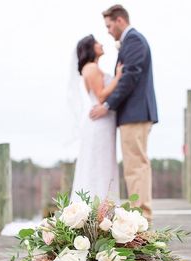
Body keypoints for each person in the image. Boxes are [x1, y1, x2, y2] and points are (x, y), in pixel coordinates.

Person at [90, 5, 158, 221]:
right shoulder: (130, 42)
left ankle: (142, 218)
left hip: (135, 113)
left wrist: (108, 105)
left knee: (135, 167)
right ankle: (140, 215)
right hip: (134, 114)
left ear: (120, 21)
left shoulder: (134, 41)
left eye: (109, 25)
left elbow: (130, 77)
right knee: (135, 166)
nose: (108, 31)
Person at [70, 34, 123, 203]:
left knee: (101, 164)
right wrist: (118, 78)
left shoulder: (92, 67)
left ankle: (102, 209)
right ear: (90, 48)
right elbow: (101, 96)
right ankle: (97, 206)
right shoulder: (91, 67)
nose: (101, 44)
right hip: (100, 122)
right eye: (97, 43)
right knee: (100, 165)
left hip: (103, 121)